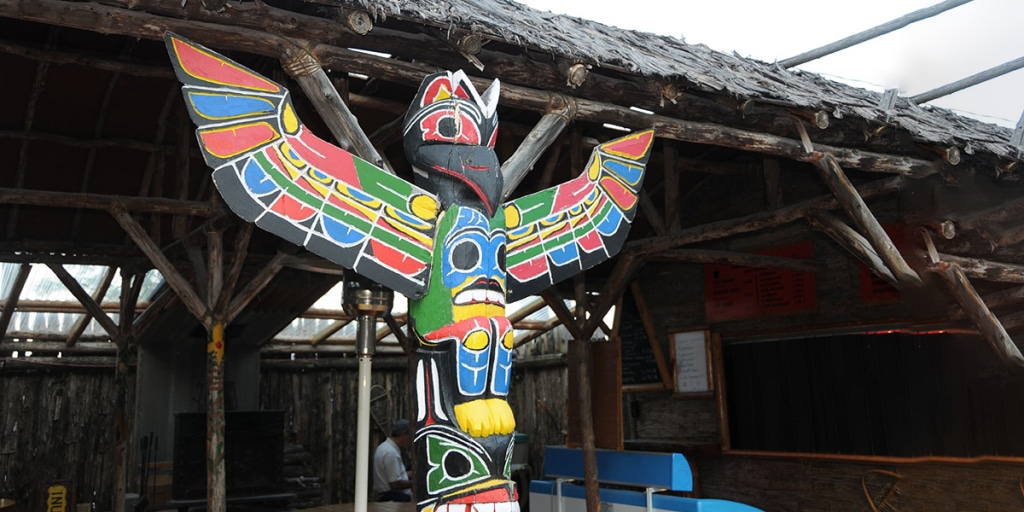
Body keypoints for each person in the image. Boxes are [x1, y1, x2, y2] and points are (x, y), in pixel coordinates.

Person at [373, 419, 413, 502]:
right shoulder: (390, 453)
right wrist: (416, 484)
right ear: (404, 434)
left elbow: (395, 473)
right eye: (410, 436)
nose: (410, 440)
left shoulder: (384, 447)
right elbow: (395, 483)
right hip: (393, 501)